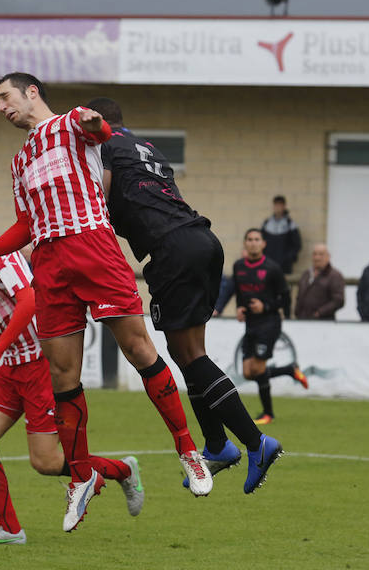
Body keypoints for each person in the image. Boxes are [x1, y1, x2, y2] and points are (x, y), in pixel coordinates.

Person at [0, 73, 211, 533]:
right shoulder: (19, 161)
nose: (0, 107)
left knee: (139, 350)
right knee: (63, 375)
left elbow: (101, 133)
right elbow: (25, 225)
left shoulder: (73, 122)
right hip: (50, 262)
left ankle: (188, 450)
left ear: (30, 91)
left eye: (4, 97)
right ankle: (79, 474)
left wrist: (95, 123)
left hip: (92, 244)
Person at [85, 97, 283, 494]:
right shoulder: (147, 147)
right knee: (188, 356)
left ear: (99, 124)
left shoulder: (104, 146)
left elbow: (98, 199)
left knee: (190, 359)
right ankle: (216, 445)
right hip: (202, 241)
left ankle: (256, 443)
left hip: (173, 249)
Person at [0, 187, 144, 545]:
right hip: (11, 369)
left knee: (47, 463)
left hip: (38, 362)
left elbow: (29, 301)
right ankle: (10, 531)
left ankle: (122, 470)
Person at [231, 229, 309, 425]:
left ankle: (268, 414)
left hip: (269, 323)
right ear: (245, 243)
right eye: (249, 239)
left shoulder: (272, 268)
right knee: (248, 372)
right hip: (251, 323)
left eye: (257, 239)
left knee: (258, 368)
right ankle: (290, 370)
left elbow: (285, 297)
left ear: (263, 244)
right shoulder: (238, 266)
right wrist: (240, 308)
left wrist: (265, 306)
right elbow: (239, 292)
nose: (253, 243)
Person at [295, 243, 345, 320]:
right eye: (314, 254)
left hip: (323, 322)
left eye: (321, 254)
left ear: (328, 257)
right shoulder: (306, 274)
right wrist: (297, 311)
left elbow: (338, 300)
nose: (317, 257)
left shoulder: (334, 276)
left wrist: (319, 313)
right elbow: (299, 296)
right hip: (302, 320)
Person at [261, 195, 301, 275]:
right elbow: (261, 242)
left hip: (284, 266)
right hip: (267, 264)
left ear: (284, 206)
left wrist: (288, 258)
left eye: (280, 205)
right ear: (273, 206)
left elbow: (297, 245)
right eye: (276, 205)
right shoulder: (266, 224)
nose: (278, 207)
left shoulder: (290, 224)